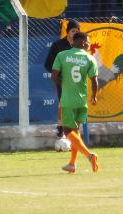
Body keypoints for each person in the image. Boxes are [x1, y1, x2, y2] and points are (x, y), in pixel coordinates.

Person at [50, 31, 99, 174]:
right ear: (82, 42)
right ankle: (72, 164)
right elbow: (94, 81)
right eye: (88, 41)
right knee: (76, 132)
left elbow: (54, 76)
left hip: (68, 100)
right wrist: (94, 96)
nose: (89, 44)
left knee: (67, 131)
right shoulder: (90, 59)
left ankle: (89, 155)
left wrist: (63, 84)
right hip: (82, 100)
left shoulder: (62, 55)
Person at [44, 20, 81, 139]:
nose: (75, 33)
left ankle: (74, 129)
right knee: (63, 103)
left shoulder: (80, 45)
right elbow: (48, 64)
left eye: (77, 31)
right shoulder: (58, 45)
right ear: (67, 32)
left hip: (76, 81)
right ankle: (60, 127)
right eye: (72, 31)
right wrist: (58, 75)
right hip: (62, 80)